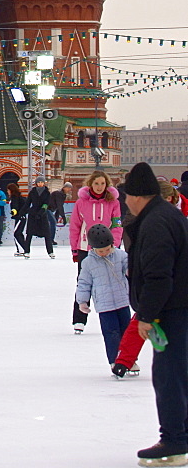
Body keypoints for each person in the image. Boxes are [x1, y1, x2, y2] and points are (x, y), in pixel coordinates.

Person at [122, 162, 188, 466]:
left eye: (126, 196)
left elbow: (159, 277)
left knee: (169, 377)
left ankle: (174, 441)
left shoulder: (156, 223)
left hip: (172, 312)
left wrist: (146, 316)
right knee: (178, 375)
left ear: (137, 196)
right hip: (177, 309)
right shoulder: (164, 215)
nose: (124, 201)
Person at [69, 170, 122, 331]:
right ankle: (79, 319)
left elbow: (117, 225)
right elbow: (75, 226)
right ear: (90, 184)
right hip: (85, 247)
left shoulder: (113, 202)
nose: (99, 187)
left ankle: (112, 319)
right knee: (83, 283)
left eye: (102, 184)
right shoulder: (81, 202)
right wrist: (75, 250)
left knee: (109, 283)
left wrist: (115, 245)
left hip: (107, 248)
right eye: (96, 183)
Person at [75, 224, 130, 372]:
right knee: (111, 333)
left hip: (122, 301)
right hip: (104, 306)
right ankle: (114, 360)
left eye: (108, 249)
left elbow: (129, 267)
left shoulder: (120, 255)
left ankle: (129, 359)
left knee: (126, 332)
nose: (105, 253)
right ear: (92, 248)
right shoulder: (88, 263)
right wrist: (82, 301)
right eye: (101, 251)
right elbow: (83, 283)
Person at [23, 177, 54, 258]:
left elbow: (46, 204)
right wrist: (22, 212)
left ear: (44, 183)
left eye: (41, 182)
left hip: (42, 215)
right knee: (29, 234)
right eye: (38, 182)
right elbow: (27, 203)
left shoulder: (47, 193)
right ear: (36, 183)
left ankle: (50, 252)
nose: (40, 183)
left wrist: (41, 213)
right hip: (33, 215)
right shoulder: (32, 192)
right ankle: (26, 251)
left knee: (47, 234)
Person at [8, 183, 27, 255]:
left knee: (17, 233)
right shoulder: (19, 197)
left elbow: (15, 207)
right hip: (21, 217)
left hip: (19, 218)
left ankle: (22, 249)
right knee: (19, 233)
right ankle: (24, 248)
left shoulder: (14, 198)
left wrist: (13, 212)